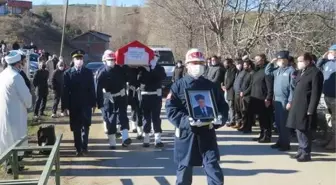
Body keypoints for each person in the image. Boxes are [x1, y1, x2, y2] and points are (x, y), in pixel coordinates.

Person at [165, 48, 228, 185]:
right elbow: (171, 110)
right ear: (187, 65)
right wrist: (186, 121)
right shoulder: (178, 86)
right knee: (184, 167)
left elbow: (223, 105)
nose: (197, 65)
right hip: (187, 133)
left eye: (200, 62)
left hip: (207, 132)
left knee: (212, 166)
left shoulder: (211, 85)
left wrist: (220, 118)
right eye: (194, 62)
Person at [287, 53, 323, 162]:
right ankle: (301, 150)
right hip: (297, 104)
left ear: (307, 61)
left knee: (304, 129)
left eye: (300, 61)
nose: (299, 63)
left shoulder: (315, 73)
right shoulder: (302, 72)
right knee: (298, 128)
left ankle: (306, 152)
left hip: (306, 105)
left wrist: (311, 109)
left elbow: (315, 93)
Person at [0, 50, 32, 172]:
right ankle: (15, 167)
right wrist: (29, 104)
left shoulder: (2, 75)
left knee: (6, 139)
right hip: (15, 115)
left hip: (3, 113)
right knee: (16, 140)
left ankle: (9, 165)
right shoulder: (16, 77)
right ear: (18, 64)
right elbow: (27, 98)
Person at [63, 49, 96, 156]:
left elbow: (92, 88)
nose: (79, 60)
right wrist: (65, 106)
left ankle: (84, 147)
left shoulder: (88, 72)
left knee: (86, 126)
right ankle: (78, 148)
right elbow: (65, 91)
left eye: (81, 58)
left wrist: (93, 103)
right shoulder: (67, 73)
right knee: (76, 127)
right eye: (77, 58)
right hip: (74, 105)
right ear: (73, 60)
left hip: (86, 104)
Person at [96, 51, 132, 149]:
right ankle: (112, 142)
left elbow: (128, 78)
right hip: (109, 99)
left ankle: (125, 138)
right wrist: (99, 103)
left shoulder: (120, 70)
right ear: (105, 60)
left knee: (123, 117)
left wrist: (126, 68)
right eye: (109, 60)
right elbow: (98, 89)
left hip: (120, 97)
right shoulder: (102, 72)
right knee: (111, 119)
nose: (111, 61)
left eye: (113, 60)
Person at [265, 51, 295, 151]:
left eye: (282, 59)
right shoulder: (277, 70)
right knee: (278, 123)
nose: (280, 61)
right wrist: (271, 62)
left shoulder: (291, 71)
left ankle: (285, 144)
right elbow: (267, 72)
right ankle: (280, 141)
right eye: (278, 60)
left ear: (287, 60)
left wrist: (290, 101)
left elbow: (293, 88)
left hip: (285, 100)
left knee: (284, 124)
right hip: (276, 99)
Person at [138, 51, 166, 148]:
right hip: (145, 96)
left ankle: (158, 140)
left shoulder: (160, 68)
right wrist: (147, 70)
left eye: (156, 56)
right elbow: (140, 79)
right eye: (153, 56)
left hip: (155, 96)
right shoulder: (142, 69)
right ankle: (146, 139)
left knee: (156, 118)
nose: (154, 58)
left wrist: (152, 70)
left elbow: (161, 77)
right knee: (146, 118)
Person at [244, 54, 274, 141]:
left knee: (265, 118)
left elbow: (269, 86)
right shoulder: (256, 71)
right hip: (255, 97)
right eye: (255, 59)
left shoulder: (266, 71)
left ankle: (267, 136)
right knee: (260, 118)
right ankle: (261, 134)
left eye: (258, 59)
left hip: (263, 98)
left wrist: (268, 98)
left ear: (263, 60)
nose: (256, 61)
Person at [316, 44, 336, 150]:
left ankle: (334, 141)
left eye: (332, 52)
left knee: (334, 120)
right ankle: (328, 138)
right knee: (327, 118)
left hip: (334, 97)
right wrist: (323, 57)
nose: (331, 54)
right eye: (330, 52)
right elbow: (317, 66)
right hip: (326, 95)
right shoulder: (327, 63)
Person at [127, 66, 143, 139]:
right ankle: (133, 125)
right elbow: (127, 80)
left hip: (141, 91)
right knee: (133, 108)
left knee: (140, 110)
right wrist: (130, 86)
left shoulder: (142, 69)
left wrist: (141, 86)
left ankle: (140, 129)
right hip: (132, 92)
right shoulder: (129, 69)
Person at [238, 60, 254, 131]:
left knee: (248, 112)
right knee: (244, 112)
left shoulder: (252, 73)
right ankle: (244, 125)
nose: (244, 67)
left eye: (245, 65)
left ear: (249, 65)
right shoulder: (246, 73)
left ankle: (248, 127)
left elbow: (251, 86)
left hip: (248, 96)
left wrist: (244, 93)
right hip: (243, 95)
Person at [221, 58, 237, 126]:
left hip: (231, 90)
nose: (224, 65)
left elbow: (231, 80)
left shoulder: (233, 70)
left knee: (231, 106)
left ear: (230, 63)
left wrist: (226, 87)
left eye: (226, 63)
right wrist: (222, 85)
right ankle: (230, 118)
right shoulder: (227, 70)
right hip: (226, 90)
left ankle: (232, 120)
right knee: (228, 105)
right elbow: (225, 79)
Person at [231, 59, 245, 127]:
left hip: (240, 93)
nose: (238, 65)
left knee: (241, 109)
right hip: (235, 92)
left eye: (239, 64)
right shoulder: (237, 72)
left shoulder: (244, 72)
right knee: (237, 109)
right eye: (237, 64)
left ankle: (242, 123)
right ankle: (238, 122)